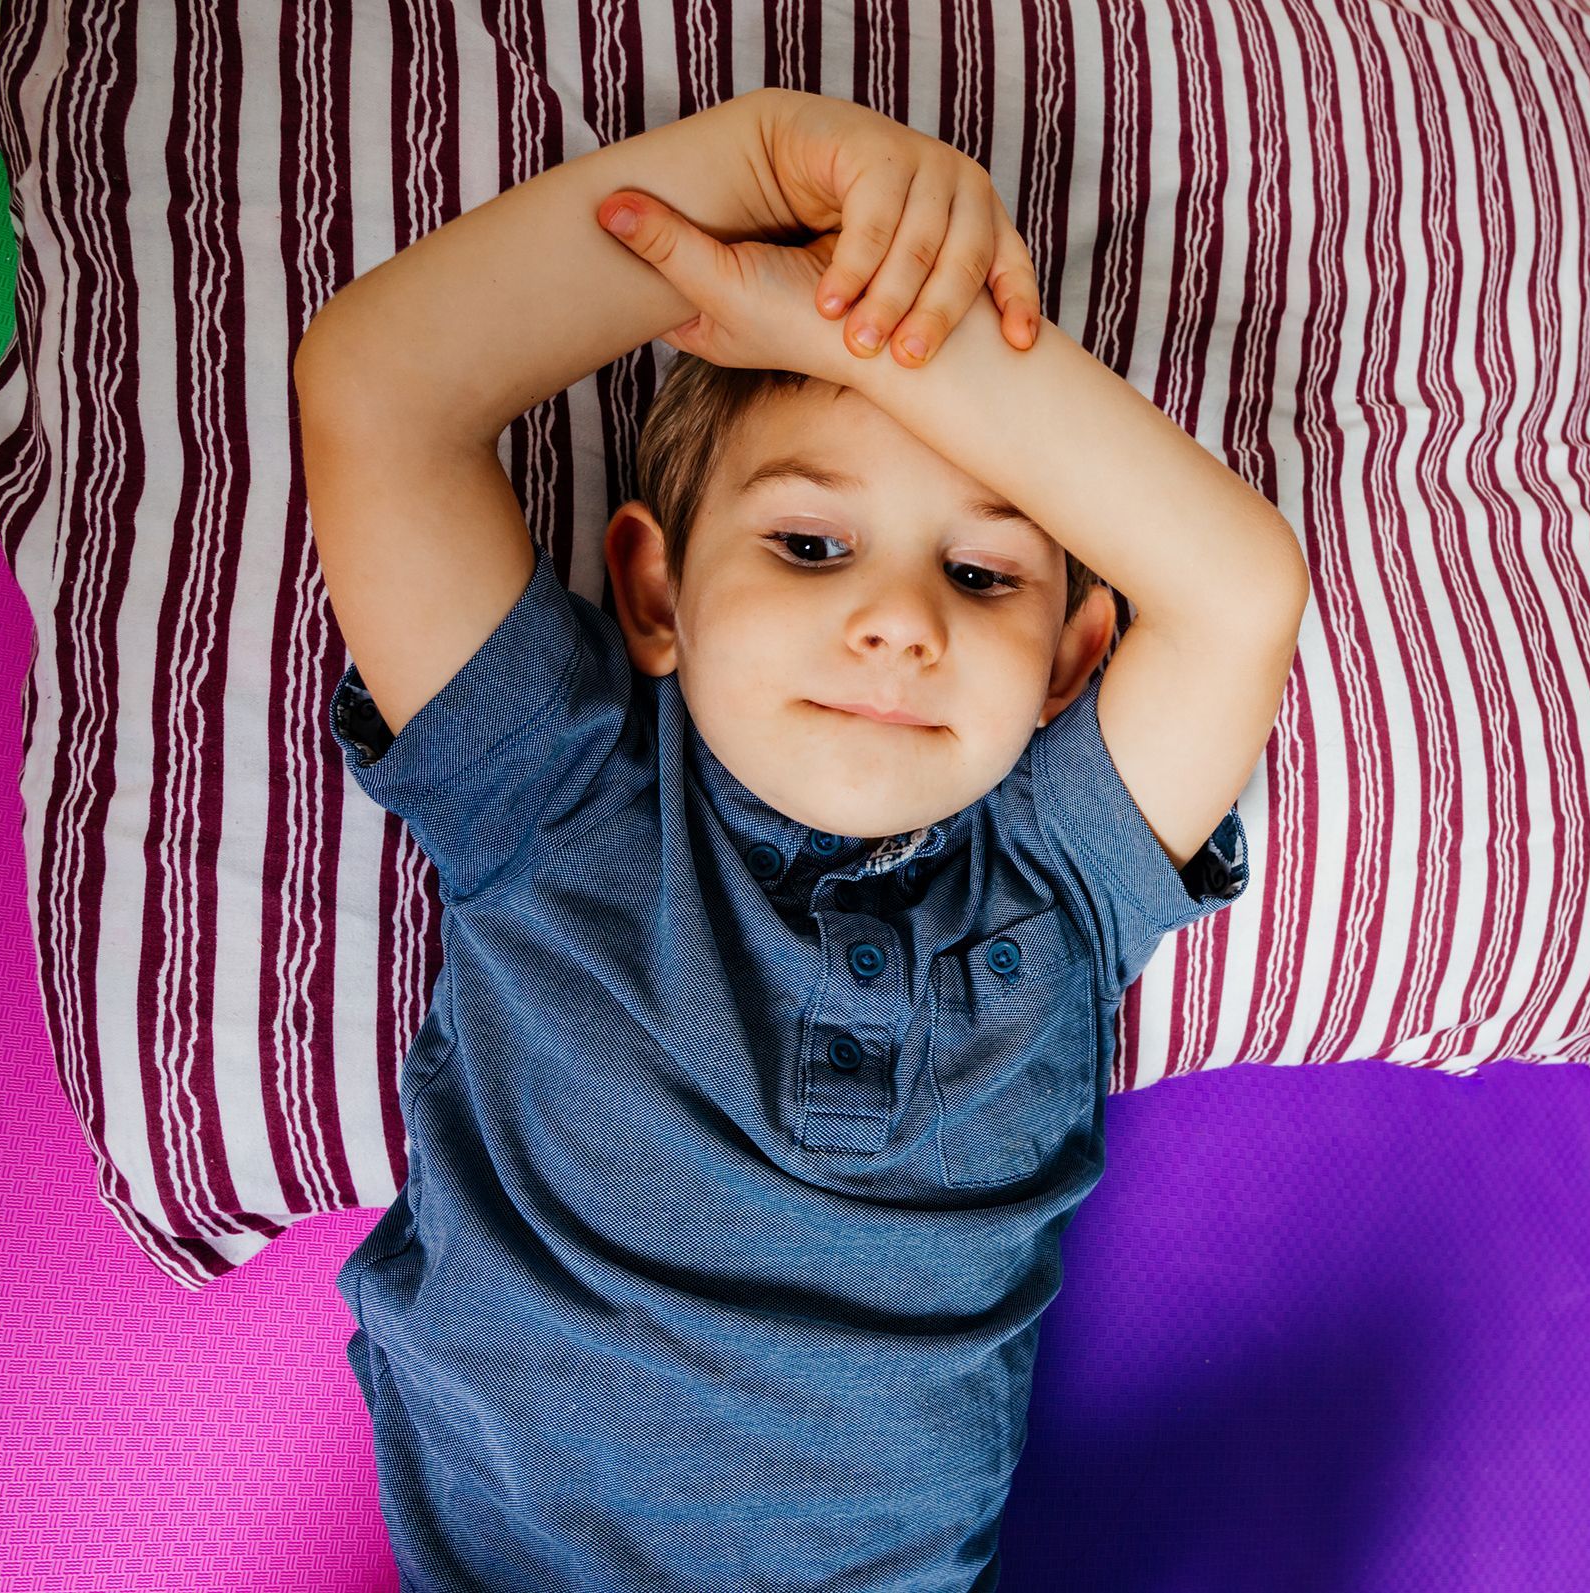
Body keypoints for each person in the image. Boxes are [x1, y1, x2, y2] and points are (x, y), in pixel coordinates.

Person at [295, 85, 1308, 1593]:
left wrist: (845, 330)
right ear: (651, 594)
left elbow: (1237, 595)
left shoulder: (1060, 880)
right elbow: (375, 393)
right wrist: (754, 163)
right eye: (810, 543)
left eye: (980, 572)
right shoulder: (556, 790)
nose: (897, 620)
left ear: (1070, 662)